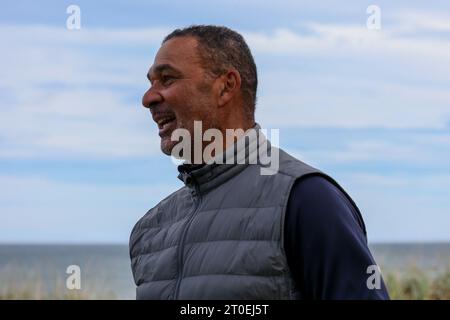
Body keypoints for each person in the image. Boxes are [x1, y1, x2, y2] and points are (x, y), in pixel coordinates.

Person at [129, 25, 390, 300]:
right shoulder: (150, 230)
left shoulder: (307, 199)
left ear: (226, 86)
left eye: (167, 79)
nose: (148, 98)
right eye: (150, 83)